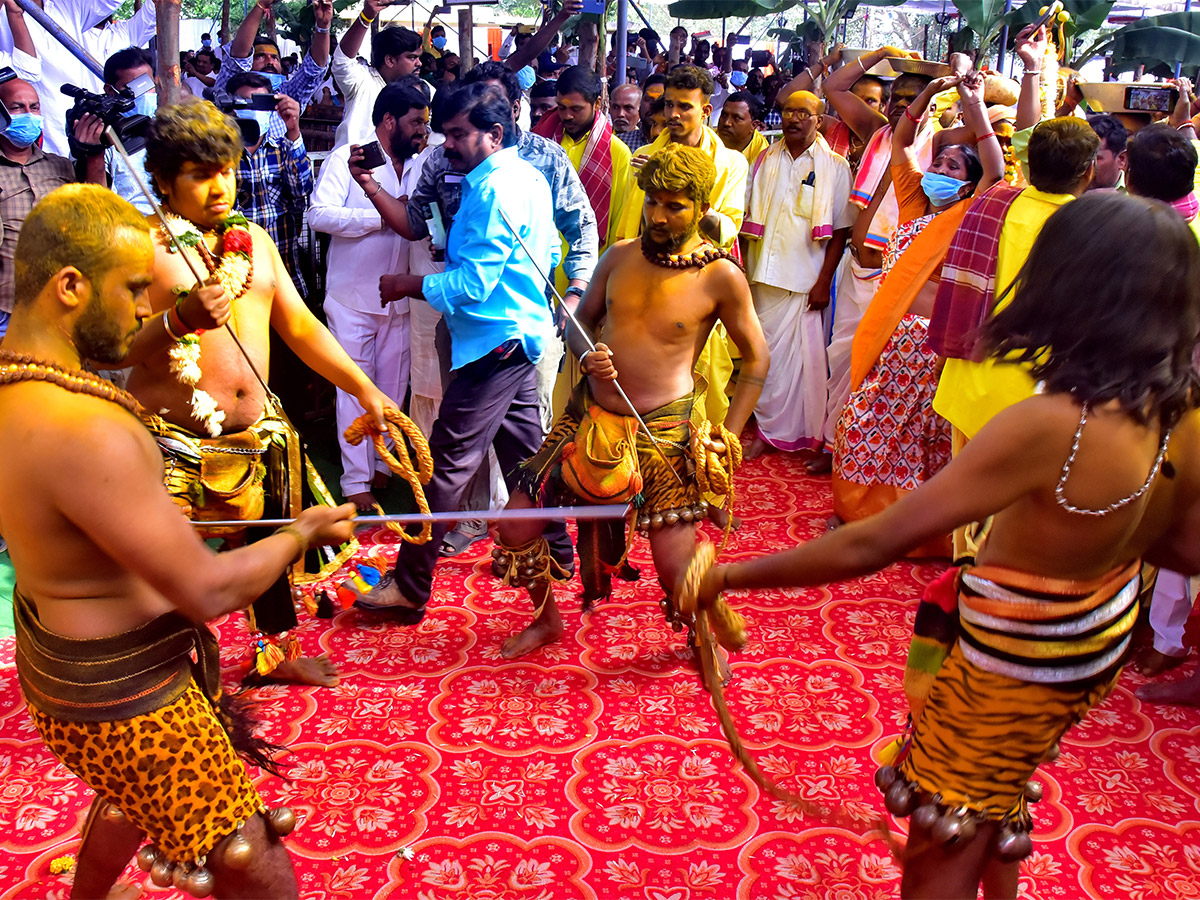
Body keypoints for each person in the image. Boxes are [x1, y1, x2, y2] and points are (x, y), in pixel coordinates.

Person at [690, 192, 1200, 900]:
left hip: (1007, 667)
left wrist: (730, 576)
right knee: (997, 796)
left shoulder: (1051, 425)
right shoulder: (1183, 414)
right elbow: (1187, 551)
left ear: (1068, 285)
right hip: (1088, 651)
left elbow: (876, 540)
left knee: (944, 839)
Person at [0, 182, 357, 900]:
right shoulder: (83, 426)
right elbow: (209, 587)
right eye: (135, 289)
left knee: (138, 796)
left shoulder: (21, 384)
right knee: (252, 860)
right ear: (70, 287)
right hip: (130, 697)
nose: (147, 308)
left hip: (67, 671)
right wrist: (301, 531)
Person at [120, 101, 398, 686]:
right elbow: (112, 350)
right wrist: (178, 319)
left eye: (226, 169)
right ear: (165, 181)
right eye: (201, 174)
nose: (220, 186)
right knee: (164, 566)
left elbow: (299, 327)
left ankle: (275, 654)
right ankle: (166, 668)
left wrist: (365, 388)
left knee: (271, 551)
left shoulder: (254, 242)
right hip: (171, 441)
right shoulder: (139, 247)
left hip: (260, 434)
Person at [493, 142, 768, 658]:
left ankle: (701, 636)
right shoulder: (618, 256)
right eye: (652, 202)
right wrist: (588, 352)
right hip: (587, 418)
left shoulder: (719, 276)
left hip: (663, 432)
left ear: (702, 207)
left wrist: (728, 432)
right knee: (515, 523)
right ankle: (546, 619)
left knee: (675, 568)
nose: (658, 216)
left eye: (674, 205)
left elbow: (756, 359)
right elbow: (579, 323)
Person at [352, 82, 568, 625]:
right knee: (526, 459)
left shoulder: (495, 189)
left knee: (445, 467)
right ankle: (562, 553)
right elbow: (544, 252)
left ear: (494, 135)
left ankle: (408, 585)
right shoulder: (521, 176)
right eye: (446, 133)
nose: (448, 144)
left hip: (494, 342)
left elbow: (473, 285)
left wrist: (410, 284)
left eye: (458, 134)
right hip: (516, 334)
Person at [833, 73, 1002, 551]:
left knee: (919, 437)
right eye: (940, 162)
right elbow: (902, 141)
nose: (942, 170)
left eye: (953, 168)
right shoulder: (912, 205)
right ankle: (857, 512)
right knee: (864, 423)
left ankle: (914, 532)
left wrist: (972, 102)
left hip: (930, 347)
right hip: (888, 338)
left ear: (968, 185)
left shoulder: (967, 215)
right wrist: (927, 95)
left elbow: (994, 167)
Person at [810, 46, 936, 476]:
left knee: (879, 364)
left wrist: (953, 86)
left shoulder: (939, 142)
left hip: (896, 274)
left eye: (913, 98)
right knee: (841, 357)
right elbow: (833, 86)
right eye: (896, 97)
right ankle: (833, 445)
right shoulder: (877, 130)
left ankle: (863, 456)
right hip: (855, 266)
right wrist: (880, 54)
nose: (902, 105)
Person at [310, 81, 430, 512]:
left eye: (426, 121)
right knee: (353, 391)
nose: (422, 130)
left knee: (393, 390)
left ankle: (382, 466)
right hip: (351, 298)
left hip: (401, 300)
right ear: (388, 121)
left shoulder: (421, 165)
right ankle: (355, 482)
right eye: (416, 122)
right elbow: (317, 214)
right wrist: (377, 218)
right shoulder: (349, 158)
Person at [741, 90, 853, 458]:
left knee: (794, 367)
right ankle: (766, 426)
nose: (794, 118)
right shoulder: (762, 160)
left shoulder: (835, 166)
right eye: (788, 111)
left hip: (805, 278)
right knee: (763, 356)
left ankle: (779, 433)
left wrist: (823, 282)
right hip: (761, 274)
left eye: (804, 113)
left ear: (819, 121)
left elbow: (839, 230)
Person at [0, 77, 85, 341]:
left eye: (34, 107)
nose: (29, 115)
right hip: (8, 309)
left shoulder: (60, 166)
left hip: (62, 302)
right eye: (17, 108)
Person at [226, 71, 315, 299]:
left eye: (260, 103)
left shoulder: (283, 146)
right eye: (246, 102)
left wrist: (293, 130)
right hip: (238, 267)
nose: (254, 110)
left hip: (283, 265)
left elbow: (302, 189)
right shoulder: (222, 152)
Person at [533, 65, 632, 250]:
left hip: (589, 263)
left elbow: (618, 220)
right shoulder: (540, 142)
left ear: (597, 103)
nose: (567, 116)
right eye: (561, 108)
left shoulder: (617, 152)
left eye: (576, 109)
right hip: (539, 255)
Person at [213, 0, 331, 117]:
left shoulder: (287, 95)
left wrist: (323, 27)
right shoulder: (230, 88)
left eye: (275, 58)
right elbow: (238, 57)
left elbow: (313, 70)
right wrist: (261, 5)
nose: (270, 62)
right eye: (260, 56)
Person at [332, 0, 424, 148]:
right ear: (390, 60)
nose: (419, 63)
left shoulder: (421, 90)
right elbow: (342, 61)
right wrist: (366, 17)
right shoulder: (363, 81)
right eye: (412, 57)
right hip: (353, 168)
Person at [716, 89, 767, 167]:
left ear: (754, 125)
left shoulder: (763, 155)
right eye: (724, 115)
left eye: (737, 118)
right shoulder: (705, 140)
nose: (727, 123)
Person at [1086, 113, 1128, 191]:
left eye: (1094, 158)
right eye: (1080, 157)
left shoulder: (1136, 196)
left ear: (1122, 159)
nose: (1084, 165)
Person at [611, 82, 642, 148]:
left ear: (640, 110)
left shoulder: (644, 142)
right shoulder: (599, 138)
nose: (620, 114)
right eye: (616, 107)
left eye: (628, 108)